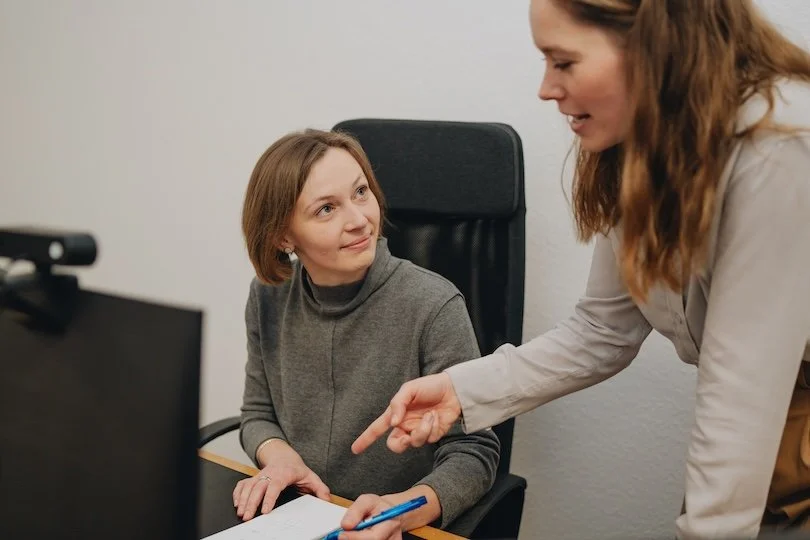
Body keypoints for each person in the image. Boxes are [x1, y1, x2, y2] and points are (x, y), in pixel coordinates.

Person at [350, 0, 810, 538]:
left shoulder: (778, 149)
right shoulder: (637, 150)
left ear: (653, 46)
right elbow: (603, 330)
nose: (546, 88)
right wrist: (461, 390)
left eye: (563, 62)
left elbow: (740, 393)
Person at [232, 128, 500, 537]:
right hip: (300, 519)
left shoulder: (433, 304)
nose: (359, 220)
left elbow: (474, 451)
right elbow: (257, 414)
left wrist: (406, 509)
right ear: (284, 236)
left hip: (389, 528)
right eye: (326, 209)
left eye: (361, 192)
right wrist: (280, 457)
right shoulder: (269, 296)